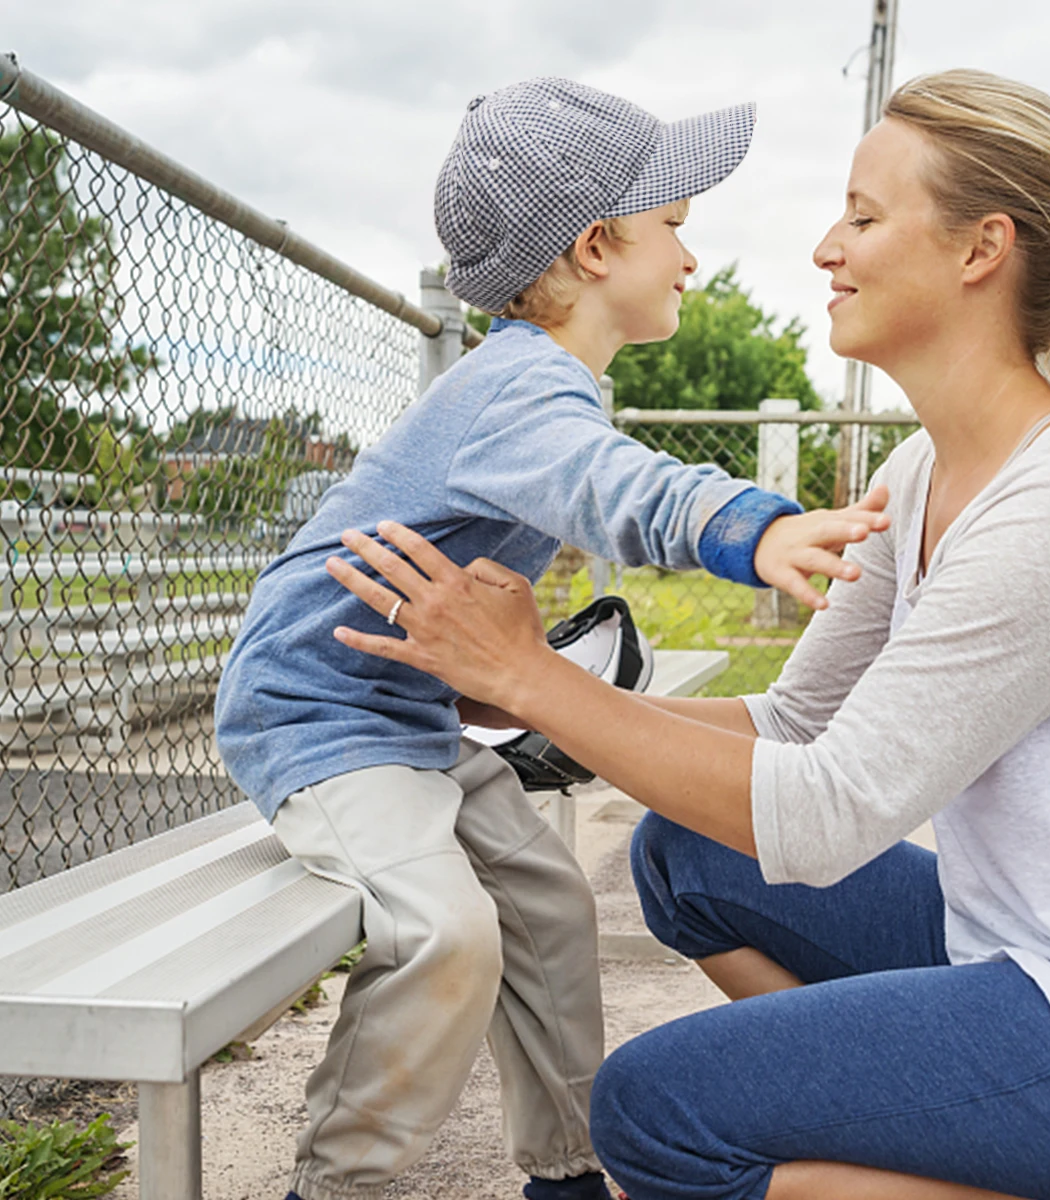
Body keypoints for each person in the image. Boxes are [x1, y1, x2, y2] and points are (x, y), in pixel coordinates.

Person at [324, 69, 1050, 1200]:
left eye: (865, 217)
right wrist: (521, 698)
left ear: (983, 249)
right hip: (1012, 946)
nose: (828, 248)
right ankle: (928, 1128)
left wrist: (542, 680)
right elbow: (792, 723)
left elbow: (828, 812)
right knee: (684, 855)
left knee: (655, 1115)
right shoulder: (926, 465)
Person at [215, 76, 891, 1200]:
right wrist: (749, 528)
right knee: (450, 937)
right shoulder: (521, 388)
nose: (690, 253)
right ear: (591, 246)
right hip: (319, 715)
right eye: (672, 224)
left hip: (409, 716)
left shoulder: (535, 383)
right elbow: (609, 485)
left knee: (545, 908)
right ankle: (338, 1186)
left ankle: (569, 1169)